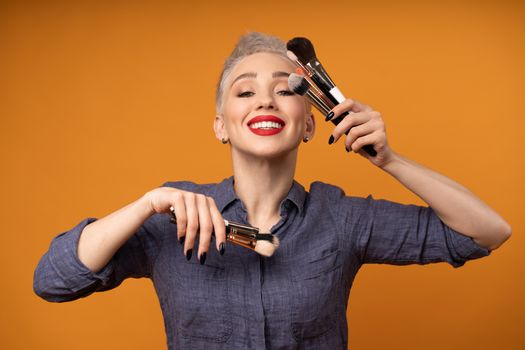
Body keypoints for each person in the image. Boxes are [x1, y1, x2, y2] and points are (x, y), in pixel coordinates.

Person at [33, 32, 511, 349]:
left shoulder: (341, 217)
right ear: (221, 126)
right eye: (245, 91)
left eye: (285, 90)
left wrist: (392, 161)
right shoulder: (173, 218)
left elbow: (485, 233)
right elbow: (52, 280)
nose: (265, 98)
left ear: (308, 124)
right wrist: (146, 204)